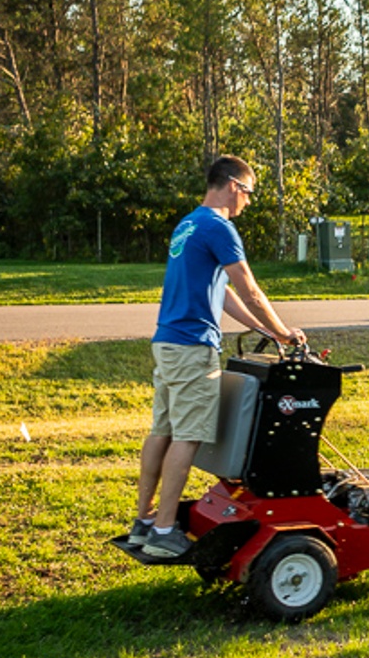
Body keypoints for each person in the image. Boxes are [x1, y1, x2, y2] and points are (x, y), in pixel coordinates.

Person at [131, 155, 306, 558]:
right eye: (249, 193)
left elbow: (223, 293)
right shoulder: (219, 226)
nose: (248, 202)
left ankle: (143, 521)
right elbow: (250, 290)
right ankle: (161, 531)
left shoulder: (189, 223)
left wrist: (264, 331)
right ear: (233, 186)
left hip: (168, 342)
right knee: (187, 436)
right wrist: (283, 331)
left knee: (163, 430)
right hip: (192, 346)